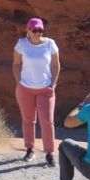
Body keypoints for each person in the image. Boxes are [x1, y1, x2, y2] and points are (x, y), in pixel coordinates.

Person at [12, 17, 60, 167]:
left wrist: (53, 83)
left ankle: (49, 153)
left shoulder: (50, 44)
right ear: (28, 30)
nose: (38, 33)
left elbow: (56, 65)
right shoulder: (22, 44)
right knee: (28, 120)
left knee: (47, 121)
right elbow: (16, 64)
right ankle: (29, 149)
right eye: (35, 30)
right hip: (25, 88)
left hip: (45, 89)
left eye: (40, 30)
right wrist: (19, 82)